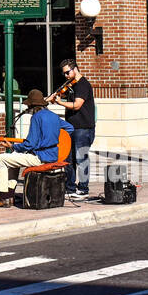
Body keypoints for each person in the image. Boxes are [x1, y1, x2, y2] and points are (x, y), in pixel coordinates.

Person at [0, 89, 74, 208]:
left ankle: (3, 197)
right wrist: (54, 138)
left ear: (32, 106)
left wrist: (12, 146)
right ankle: (9, 196)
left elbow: (30, 144)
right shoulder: (54, 116)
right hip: (53, 155)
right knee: (13, 160)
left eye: (29, 106)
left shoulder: (36, 118)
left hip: (40, 158)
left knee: (0, 158)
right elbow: (70, 128)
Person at [52, 58, 95, 200]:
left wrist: (60, 102)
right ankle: (70, 188)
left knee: (81, 158)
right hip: (71, 128)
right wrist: (54, 97)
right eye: (64, 73)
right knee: (68, 159)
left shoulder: (82, 85)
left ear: (75, 69)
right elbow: (62, 93)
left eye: (67, 72)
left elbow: (77, 105)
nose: (65, 76)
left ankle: (83, 189)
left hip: (83, 128)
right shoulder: (71, 85)